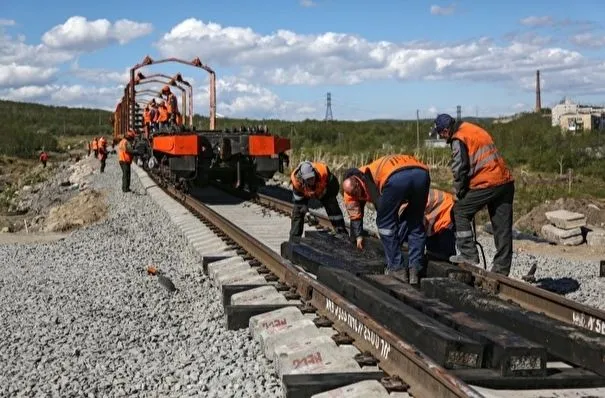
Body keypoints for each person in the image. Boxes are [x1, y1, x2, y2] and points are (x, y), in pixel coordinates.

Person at [430, 113, 515, 276]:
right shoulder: (471, 129)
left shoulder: (458, 138)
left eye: (440, 134)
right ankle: (501, 271)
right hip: (505, 182)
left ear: (446, 131)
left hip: (488, 182)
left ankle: (469, 254)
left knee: (460, 211)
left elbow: (459, 167)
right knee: (502, 229)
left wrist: (458, 192)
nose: (441, 138)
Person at [342, 155, 430, 284]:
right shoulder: (350, 191)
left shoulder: (367, 176)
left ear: (357, 181)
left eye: (357, 190)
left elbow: (384, 209)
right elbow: (355, 214)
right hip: (422, 174)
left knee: (384, 225)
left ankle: (397, 269)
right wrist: (358, 236)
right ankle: (415, 270)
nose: (357, 194)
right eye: (354, 193)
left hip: (397, 177)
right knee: (415, 222)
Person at [289, 161, 347, 239]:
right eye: (308, 179)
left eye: (312, 177)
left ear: (314, 172)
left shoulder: (324, 173)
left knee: (332, 204)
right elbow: (299, 203)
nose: (311, 180)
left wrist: (325, 195)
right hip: (305, 192)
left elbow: (334, 187)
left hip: (323, 190)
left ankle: (341, 232)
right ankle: (294, 239)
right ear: (302, 178)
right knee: (297, 211)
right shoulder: (297, 182)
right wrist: (307, 214)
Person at [398, 188, 457, 261]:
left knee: (444, 250)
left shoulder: (406, 205)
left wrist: (397, 244)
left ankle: (448, 260)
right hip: (438, 211)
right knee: (432, 250)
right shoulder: (408, 197)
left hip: (446, 210)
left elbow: (405, 225)